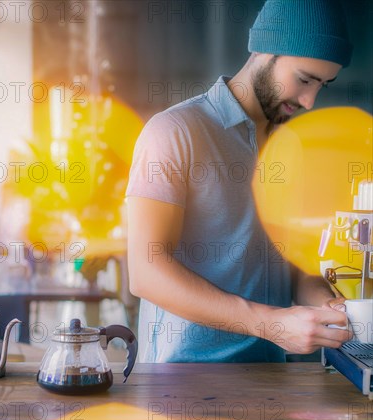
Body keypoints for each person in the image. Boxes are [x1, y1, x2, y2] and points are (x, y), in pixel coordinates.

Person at [125, 0, 354, 363]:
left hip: (271, 378)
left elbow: (291, 268)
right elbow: (145, 271)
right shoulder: (174, 132)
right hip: (183, 381)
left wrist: (332, 307)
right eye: (305, 79)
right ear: (263, 49)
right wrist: (272, 325)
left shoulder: (291, 147)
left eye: (322, 85)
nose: (310, 100)